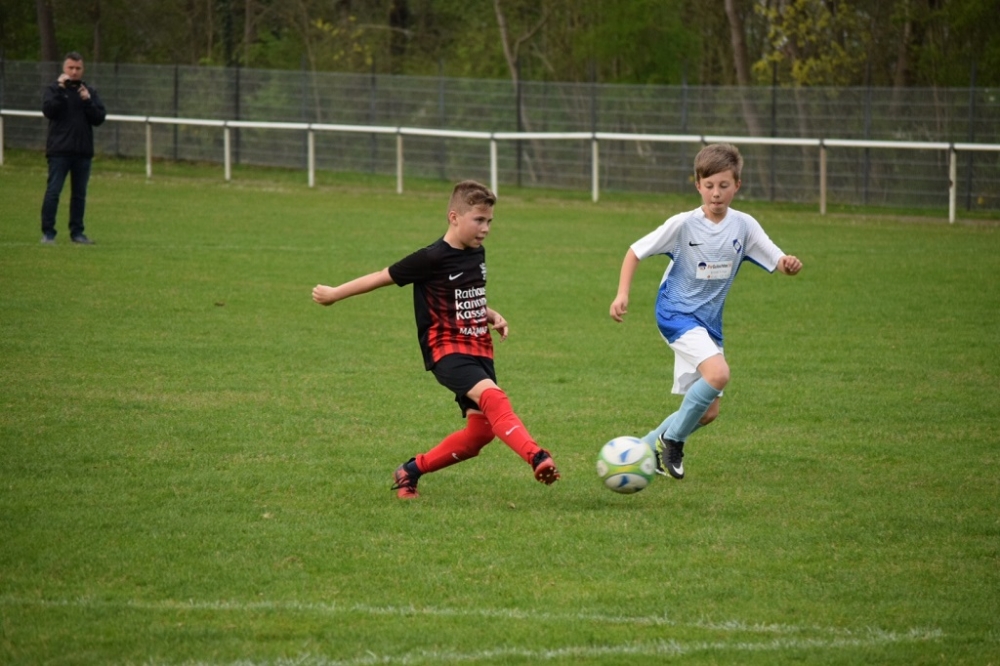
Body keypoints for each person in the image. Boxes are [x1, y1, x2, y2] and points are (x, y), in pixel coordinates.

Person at [312, 180, 560, 499]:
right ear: (454, 217)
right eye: (478, 220)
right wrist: (335, 293)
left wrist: (490, 314)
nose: (485, 228)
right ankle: (537, 456)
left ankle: (410, 471)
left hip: (480, 348)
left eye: (489, 221)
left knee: (479, 435)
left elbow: (463, 295)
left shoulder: (477, 253)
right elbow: (380, 277)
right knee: (495, 398)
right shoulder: (430, 258)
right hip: (446, 350)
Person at [609, 143, 803, 480]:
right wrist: (622, 293)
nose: (716, 193)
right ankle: (672, 441)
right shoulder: (684, 224)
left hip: (709, 323)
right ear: (697, 185)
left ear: (737, 185)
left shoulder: (744, 226)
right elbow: (635, 251)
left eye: (724, 185)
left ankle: (643, 449)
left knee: (708, 411)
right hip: (675, 313)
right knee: (719, 374)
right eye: (709, 185)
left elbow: (778, 260)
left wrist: (789, 264)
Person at [40, 51, 106, 245]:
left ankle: (77, 233)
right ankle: (48, 233)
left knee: (79, 195)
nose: (74, 72)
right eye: (71, 67)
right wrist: (61, 91)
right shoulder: (53, 90)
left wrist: (87, 101)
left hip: (82, 152)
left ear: (83, 69)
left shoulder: (89, 92)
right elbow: (49, 111)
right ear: (64, 68)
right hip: (59, 152)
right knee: (53, 192)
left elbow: (99, 118)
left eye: (78, 68)